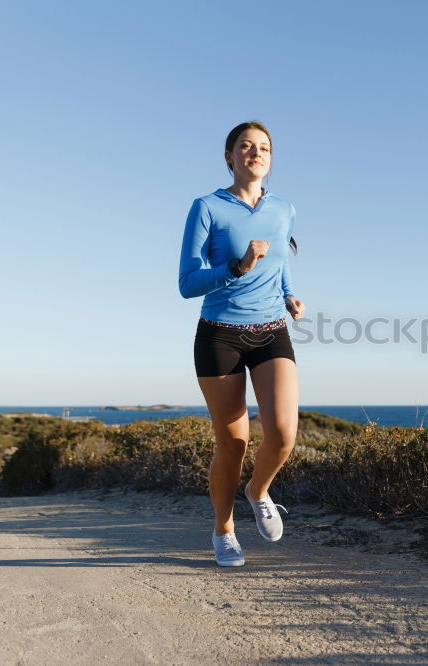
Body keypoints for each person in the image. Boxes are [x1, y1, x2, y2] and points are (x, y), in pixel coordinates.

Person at [178, 121, 306, 567]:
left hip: (271, 329)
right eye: (246, 146)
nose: (256, 152)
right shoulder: (207, 207)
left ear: (270, 160)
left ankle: (258, 490)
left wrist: (289, 293)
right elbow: (187, 283)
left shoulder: (284, 209)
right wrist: (236, 267)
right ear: (229, 156)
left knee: (284, 434)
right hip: (220, 334)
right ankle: (224, 530)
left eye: (264, 148)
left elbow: (282, 260)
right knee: (232, 445)